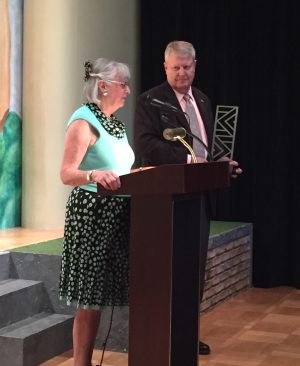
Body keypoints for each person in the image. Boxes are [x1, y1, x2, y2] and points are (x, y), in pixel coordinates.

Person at [134, 40, 242, 355]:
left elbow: (207, 148)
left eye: (187, 66)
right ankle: (162, 337)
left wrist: (221, 165)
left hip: (199, 198)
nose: (182, 73)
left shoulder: (204, 100)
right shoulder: (150, 101)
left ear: (195, 65)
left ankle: (186, 336)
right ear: (165, 68)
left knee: (194, 270)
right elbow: (146, 146)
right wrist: (190, 160)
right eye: (176, 67)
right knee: (168, 271)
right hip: (164, 201)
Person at [59, 58, 134, 366]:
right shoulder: (83, 120)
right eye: (123, 84)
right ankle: (81, 363)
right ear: (103, 86)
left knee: (101, 295)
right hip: (91, 215)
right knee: (89, 299)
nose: (128, 90)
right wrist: (94, 175)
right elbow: (66, 173)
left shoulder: (115, 123)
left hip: (120, 213)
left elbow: (122, 169)